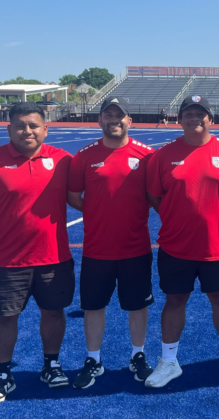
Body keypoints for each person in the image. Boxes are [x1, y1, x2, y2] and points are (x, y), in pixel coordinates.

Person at [0, 102, 74, 405]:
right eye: (21, 125)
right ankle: (2, 373)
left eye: (34, 125)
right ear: (9, 128)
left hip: (54, 257)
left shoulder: (63, 160)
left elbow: (84, 197)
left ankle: (51, 365)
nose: (27, 131)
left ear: (45, 129)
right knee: (4, 317)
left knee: (53, 312)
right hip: (7, 260)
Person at [144, 95, 219, 387]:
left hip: (218, 244)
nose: (195, 119)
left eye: (200, 114)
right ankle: (169, 361)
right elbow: (154, 195)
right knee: (175, 300)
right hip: (175, 245)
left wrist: (218, 211)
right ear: (180, 120)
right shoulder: (163, 155)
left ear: (211, 119)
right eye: (188, 114)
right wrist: (175, 213)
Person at [66, 96, 155, 389]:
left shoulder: (147, 155)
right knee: (94, 306)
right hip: (97, 247)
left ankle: (137, 355)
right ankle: (93, 359)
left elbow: (157, 196)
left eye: (120, 115)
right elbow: (73, 195)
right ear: (100, 120)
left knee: (137, 306)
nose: (114, 120)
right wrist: (96, 212)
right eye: (108, 115)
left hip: (135, 246)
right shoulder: (84, 156)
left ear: (130, 120)